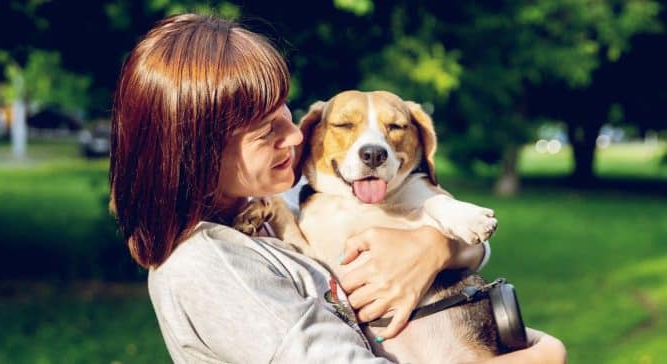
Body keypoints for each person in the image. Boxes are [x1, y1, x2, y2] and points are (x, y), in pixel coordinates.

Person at [110, 13, 566, 363]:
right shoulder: (205, 265)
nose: (296, 136)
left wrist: (435, 248)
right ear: (198, 153)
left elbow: (474, 247)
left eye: (285, 113)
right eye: (265, 132)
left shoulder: (276, 205)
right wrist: (544, 356)